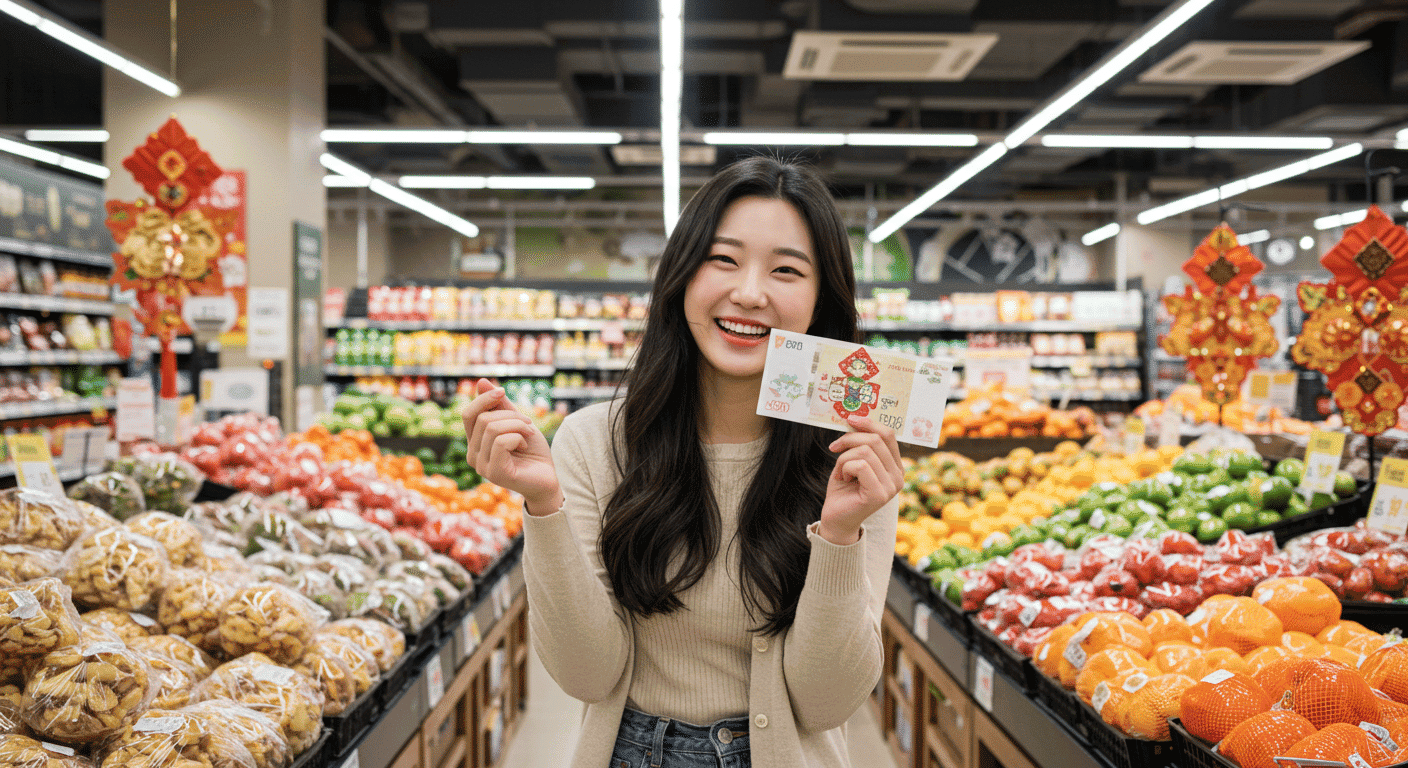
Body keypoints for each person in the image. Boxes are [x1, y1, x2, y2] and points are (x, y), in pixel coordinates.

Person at [462, 156, 902, 768]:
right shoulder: (593, 442)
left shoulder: (852, 464)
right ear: (681, 274)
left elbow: (826, 702)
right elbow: (588, 676)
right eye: (723, 259)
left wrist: (839, 533)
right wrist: (544, 506)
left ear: (820, 299)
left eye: (786, 270)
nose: (749, 293)